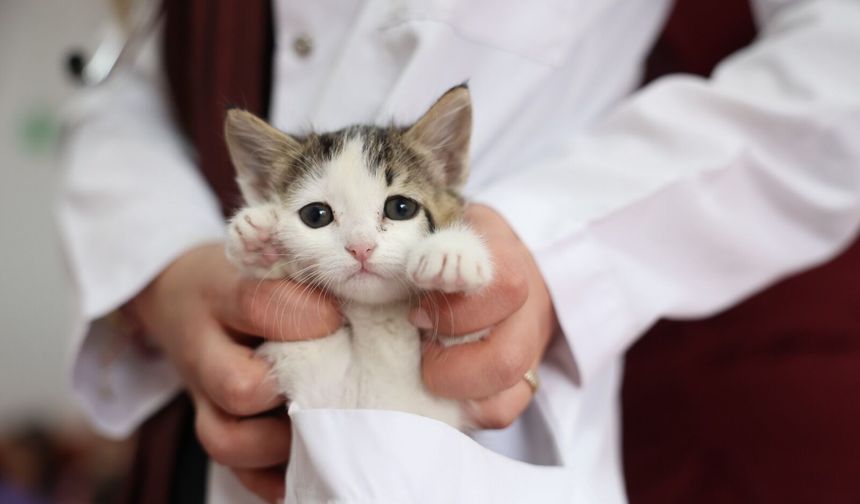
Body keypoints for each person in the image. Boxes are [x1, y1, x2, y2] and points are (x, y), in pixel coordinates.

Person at [59, 0, 860, 502]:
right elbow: (120, 76)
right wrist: (163, 263)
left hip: (485, 400)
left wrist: (559, 239)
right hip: (211, 428)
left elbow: (841, 61)